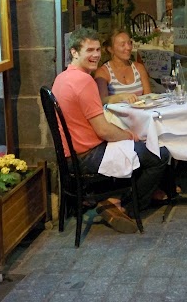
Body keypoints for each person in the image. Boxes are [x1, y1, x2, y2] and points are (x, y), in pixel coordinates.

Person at [51, 27, 169, 233]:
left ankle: (113, 201)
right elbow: (104, 130)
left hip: (71, 155)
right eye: (89, 50)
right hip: (88, 156)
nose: (95, 55)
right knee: (159, 155)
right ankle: (124, 208)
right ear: (74, 52)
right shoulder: (84, 81)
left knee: (139, 149)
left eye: (97, 50)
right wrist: (129, 136)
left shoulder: (61, 78)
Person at [95, 29, 152, 104]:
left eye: (129, 43)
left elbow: (148, 97)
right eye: (123, 45)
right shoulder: (103, 72)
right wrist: (121, 97)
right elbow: (102, 101)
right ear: (111, 49)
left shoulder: (139, 68)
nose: (128, 48)